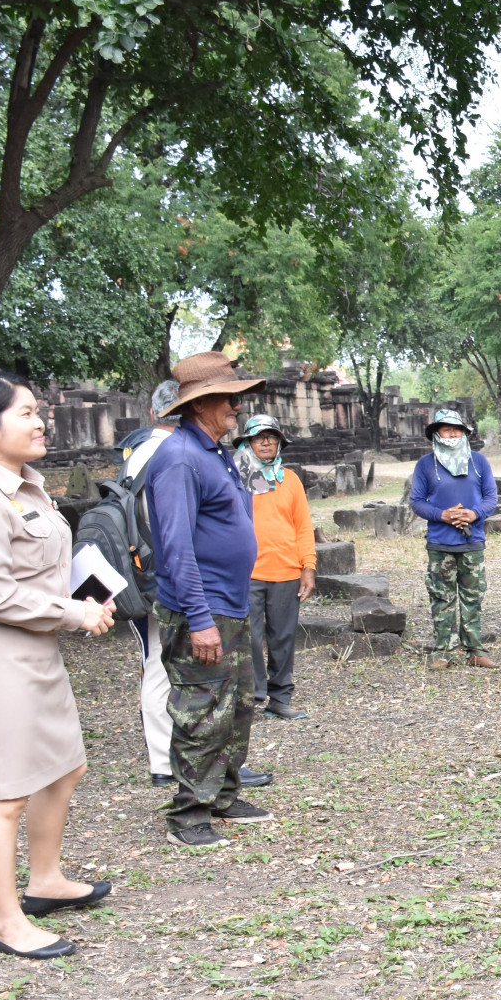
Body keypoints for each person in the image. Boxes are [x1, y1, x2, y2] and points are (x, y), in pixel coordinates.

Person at [0, 369, 117, 959]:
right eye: (25, 414)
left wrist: (88, 599)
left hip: (34, 647)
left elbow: (39, 572)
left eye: (38, 410)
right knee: (5, 794)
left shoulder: (28, 487)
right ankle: (6, 923)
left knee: (64, 768)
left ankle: (46, 880)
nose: (40, 421)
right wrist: (73, 614)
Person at [142, 350, 272, 847]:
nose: (236, 408)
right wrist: (199, 619)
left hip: (230, 602)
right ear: (201, 405)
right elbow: (175, 547)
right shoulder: (178, 460)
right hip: (203, 605)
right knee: (202, 706)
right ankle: (189, 811)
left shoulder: (213, 452)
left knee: (237, 703)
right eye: (228, 399)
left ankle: (221, 792)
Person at [234, 414, 316, 719]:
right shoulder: (236, 478)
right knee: (250, 637)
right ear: (247, 443)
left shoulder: (290, 479)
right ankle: (252, 696)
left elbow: (303, 527)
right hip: (248, 571)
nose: (266, 442)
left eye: (272, 437)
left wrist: (309, 566)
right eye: (259, 437)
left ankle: (280, 698)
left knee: (282, 637)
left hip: (286, 571)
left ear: (280, 442)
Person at [118, 390, 181, 787]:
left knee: (157, 663)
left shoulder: (136, 451)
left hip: (141, 573)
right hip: (164, 576)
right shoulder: (173, 454)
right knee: (167, 666)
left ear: (153, 411)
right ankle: (171, 760)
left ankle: (165, 758)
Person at [408, 407, 499, 671]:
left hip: (472, 541)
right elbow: (416, 502)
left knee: (473, 596)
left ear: (465, 433)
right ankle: (442, 651)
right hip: (440, 542)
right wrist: (443, 515)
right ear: (436, 434)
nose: (452, 434)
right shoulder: (426, 464)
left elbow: (491, 498)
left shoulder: (478, 462)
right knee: (441, 597)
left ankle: (474, 650)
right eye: (446, 429)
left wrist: (472, 514)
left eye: (457, 429)